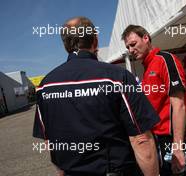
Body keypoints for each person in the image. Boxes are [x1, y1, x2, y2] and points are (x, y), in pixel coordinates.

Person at [33, 17, 160, 176]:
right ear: (95, 40)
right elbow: (141, 139)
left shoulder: (44, 86)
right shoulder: (117, 77)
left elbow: (50, 141)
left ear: (66, 45)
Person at [122, 25, 186, 175]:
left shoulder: (165, 59)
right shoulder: (147, 68)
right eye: (128, 47)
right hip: (157, 140)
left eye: (133, 44)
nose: (131, 50)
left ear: (146, 38)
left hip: (171, 141)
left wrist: (178, 148)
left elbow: (179, 105)